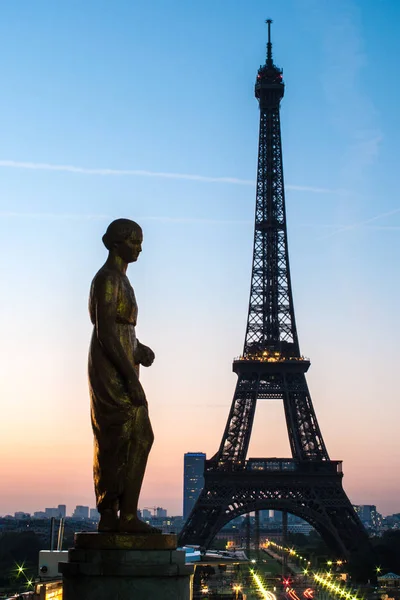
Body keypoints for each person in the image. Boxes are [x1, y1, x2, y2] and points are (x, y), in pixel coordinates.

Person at [88, 218, 158, 533]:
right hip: (112, 368)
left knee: (135, 437)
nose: (139, 248)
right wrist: (130, 376)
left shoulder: (122, 280)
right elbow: (105, 331)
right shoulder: (106, 278)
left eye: (140, 242)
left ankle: (123, 515)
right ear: (116, 243)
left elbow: (121, 329)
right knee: (119, 437)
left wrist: (139, 348)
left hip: (124, 360)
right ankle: (114, 515)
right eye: (134, 241)